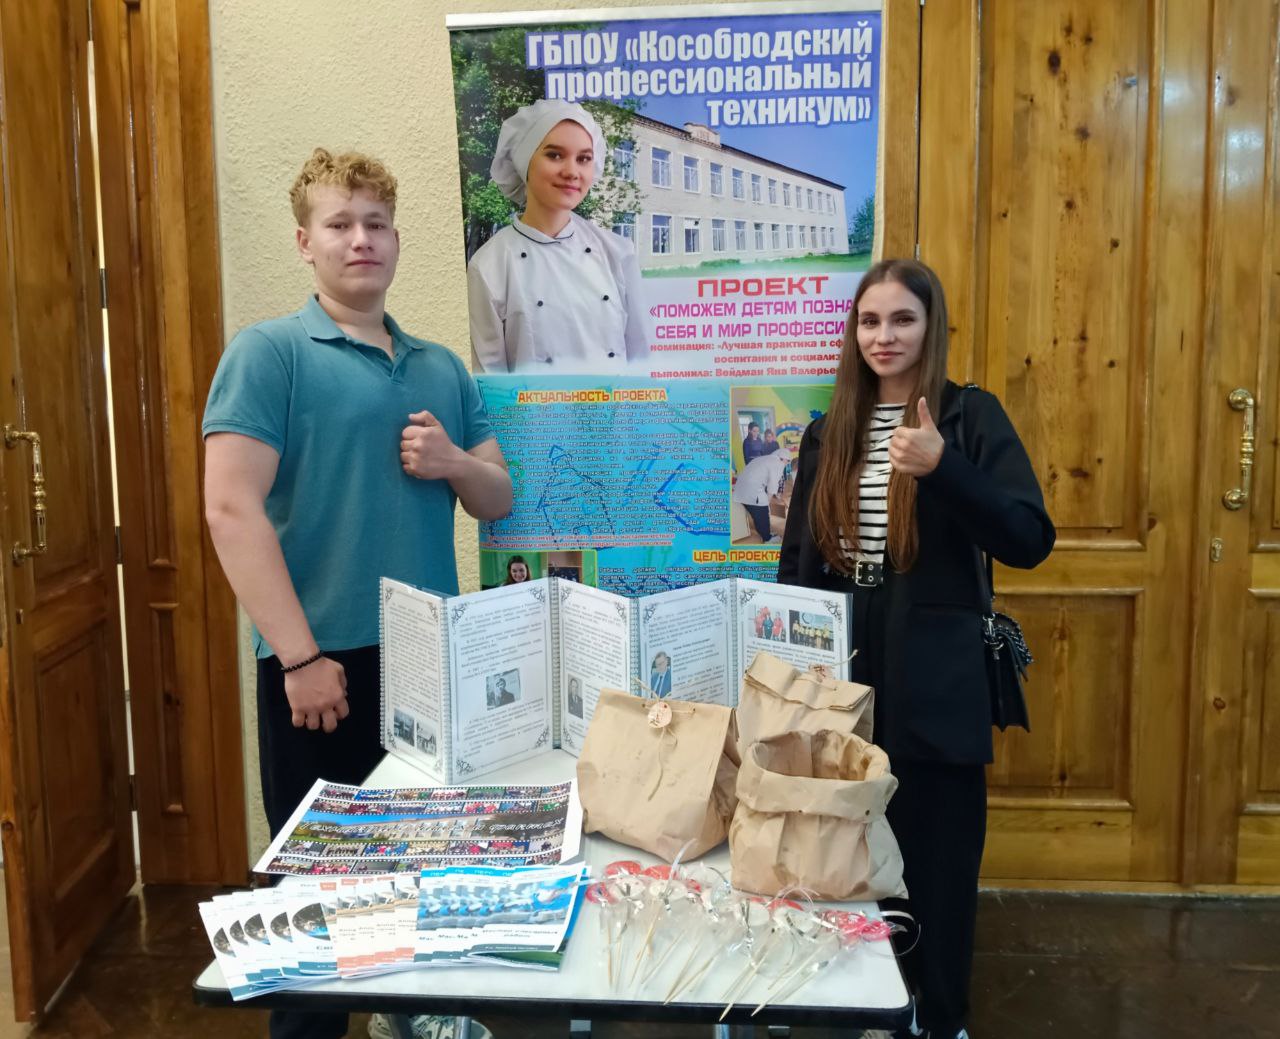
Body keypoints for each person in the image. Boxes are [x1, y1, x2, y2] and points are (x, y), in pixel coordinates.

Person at [202, 147, 511, 1039]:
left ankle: (410, 1014)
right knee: (319, 899)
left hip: (427, 667)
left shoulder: (440, 366)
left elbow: (497, 496)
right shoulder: (270, 354)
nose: (360, 239)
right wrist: (298, 657)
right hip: (320, 666)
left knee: (421, 870)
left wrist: (452, 462)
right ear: (306, 242)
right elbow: (229, 508)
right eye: (339, 223)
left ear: (397, 239)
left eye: (376, 223)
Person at [778, 258, 1054, 1039]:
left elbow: (1028, 537)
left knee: (938, 858)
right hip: (847, 668)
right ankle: (872, 1005)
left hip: (936, 674)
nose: (885, 336)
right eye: (870, 320)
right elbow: (797, 562)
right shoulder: (828, 430)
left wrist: (944, 469)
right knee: (850, 846)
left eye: (903, 318)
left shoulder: (968, 416)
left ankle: (940, 1016)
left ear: (930, 326)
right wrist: (793, 672)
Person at [468, 99, 649, 373]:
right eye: (554, 155)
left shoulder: (618, 252)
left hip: (616, 401)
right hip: (535, 404)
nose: (572, 172)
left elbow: (641, 363)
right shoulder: (489, 266)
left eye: (584, 159)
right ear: (524, 161)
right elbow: (490, 382)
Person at [732, 446, 791, 544]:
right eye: (787, 461)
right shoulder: (778, 463)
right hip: (752, 492)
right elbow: (773, 485)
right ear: (783, 458)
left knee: (758, 514)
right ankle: (767, 538)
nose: (787, 463)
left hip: (739, 491)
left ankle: (764, 532)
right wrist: (767, 502)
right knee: (762, 514)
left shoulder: (763, 459)